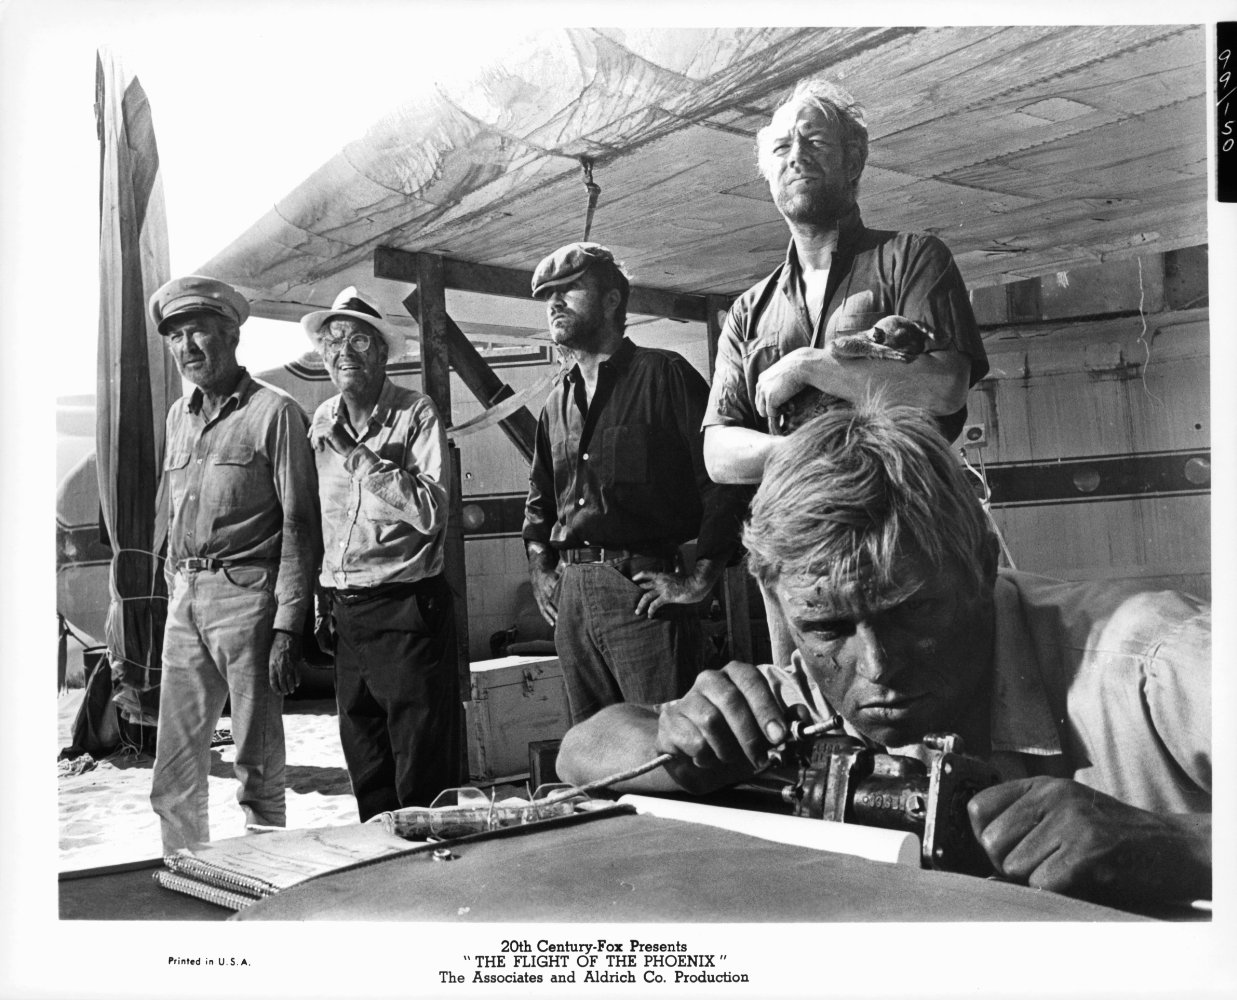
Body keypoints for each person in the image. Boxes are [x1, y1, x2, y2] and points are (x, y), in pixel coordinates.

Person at [558, 400, 1211, 906]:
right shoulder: (808, 698)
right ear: (780, 605)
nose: (876, 667)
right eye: (827, 627)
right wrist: (681, 739)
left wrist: (1181, 847)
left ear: (982, 564)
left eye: (914, 612)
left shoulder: (1156, 660)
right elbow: (582, 750)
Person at [704, 78, 990, 665]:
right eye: (781, 148)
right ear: (768, 173)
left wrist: (812, 365)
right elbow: (718, 452)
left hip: (904, 537)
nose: (796, 157)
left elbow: (943, 386)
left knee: (917, 692)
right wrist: (801, 454)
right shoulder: (748, 310)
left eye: (814, 142)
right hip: (795, 554)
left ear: (853, 160)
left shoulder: (913, 258)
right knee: (809, 705)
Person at [523, 242, 741, 723]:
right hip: (572, 598)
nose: (554, 303)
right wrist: (541, 568)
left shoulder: (665, 375)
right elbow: (539, 504)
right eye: (547, 296)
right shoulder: (556, 403)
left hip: (642, 594)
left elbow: (723, 483)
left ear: (611, 301)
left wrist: (702, 578)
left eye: (569, 289)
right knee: (596, 748)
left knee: (668, 742)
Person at [149, 275, 318, 853]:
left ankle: (267, 881)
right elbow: (171, 512)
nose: (186, 346)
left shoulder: (276, 413)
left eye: (198, 331)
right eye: (175, 336)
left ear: (232, 335)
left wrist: (288, 626)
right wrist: (170, 590)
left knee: (258, 767)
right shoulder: (178, 416)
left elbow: (300, 525)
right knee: (173, 771)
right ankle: (184, 869)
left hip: (249, 599)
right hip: (185, 598)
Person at [303, 287, 460, 820]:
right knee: (368, 769)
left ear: (383, 352)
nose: (343, 351)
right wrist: (321, 597)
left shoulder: (415, 412)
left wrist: (355, 454)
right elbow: (322, 521)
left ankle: (435, 866)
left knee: (423, 776)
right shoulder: (321, 418)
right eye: (332, 341)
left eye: (359, 340)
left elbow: (432, 511)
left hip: (407, 610)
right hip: (348, 615)